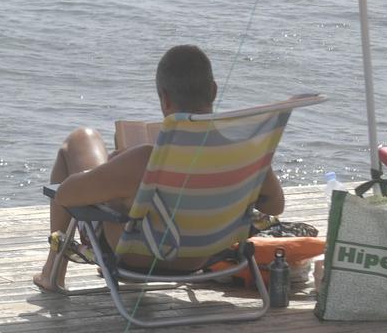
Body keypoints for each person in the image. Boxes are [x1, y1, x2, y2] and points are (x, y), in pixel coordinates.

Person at [32, 43, 284, 292]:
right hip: (207, 255)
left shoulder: (145, 161)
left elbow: (65, 195)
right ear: (214, 91)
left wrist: (110, 175)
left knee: (81, 138)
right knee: (125, 178)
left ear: (164, 99)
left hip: (138, 257)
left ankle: (53, 271)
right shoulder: (246, 152)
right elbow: (275, 206)